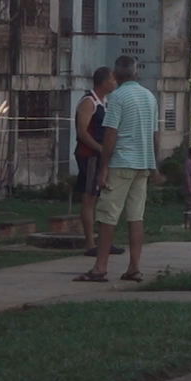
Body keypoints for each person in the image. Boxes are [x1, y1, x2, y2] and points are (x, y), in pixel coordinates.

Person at [78, 55, 158, 282]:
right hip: (142, 164)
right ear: (136, 74)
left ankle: (100, 267)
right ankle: (134, 267)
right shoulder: (149, 97)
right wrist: (154, 165)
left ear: (115, 75)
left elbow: (110, 134)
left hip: (121, 162)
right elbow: (154, 134)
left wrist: (103, 168)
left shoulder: (117, 97)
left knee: (107, 216)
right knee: (135, 217)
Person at [72, 68, 120, 258]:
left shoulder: (104, 102)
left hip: (102, 156)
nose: (114, 83)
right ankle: (90, 243)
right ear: (104, 81)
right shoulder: (89, 101)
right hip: (89, 155)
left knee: (104, 197)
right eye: (112, 79)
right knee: (89, 196)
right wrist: (100, 148)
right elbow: (82, 132)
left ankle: (104, 240)